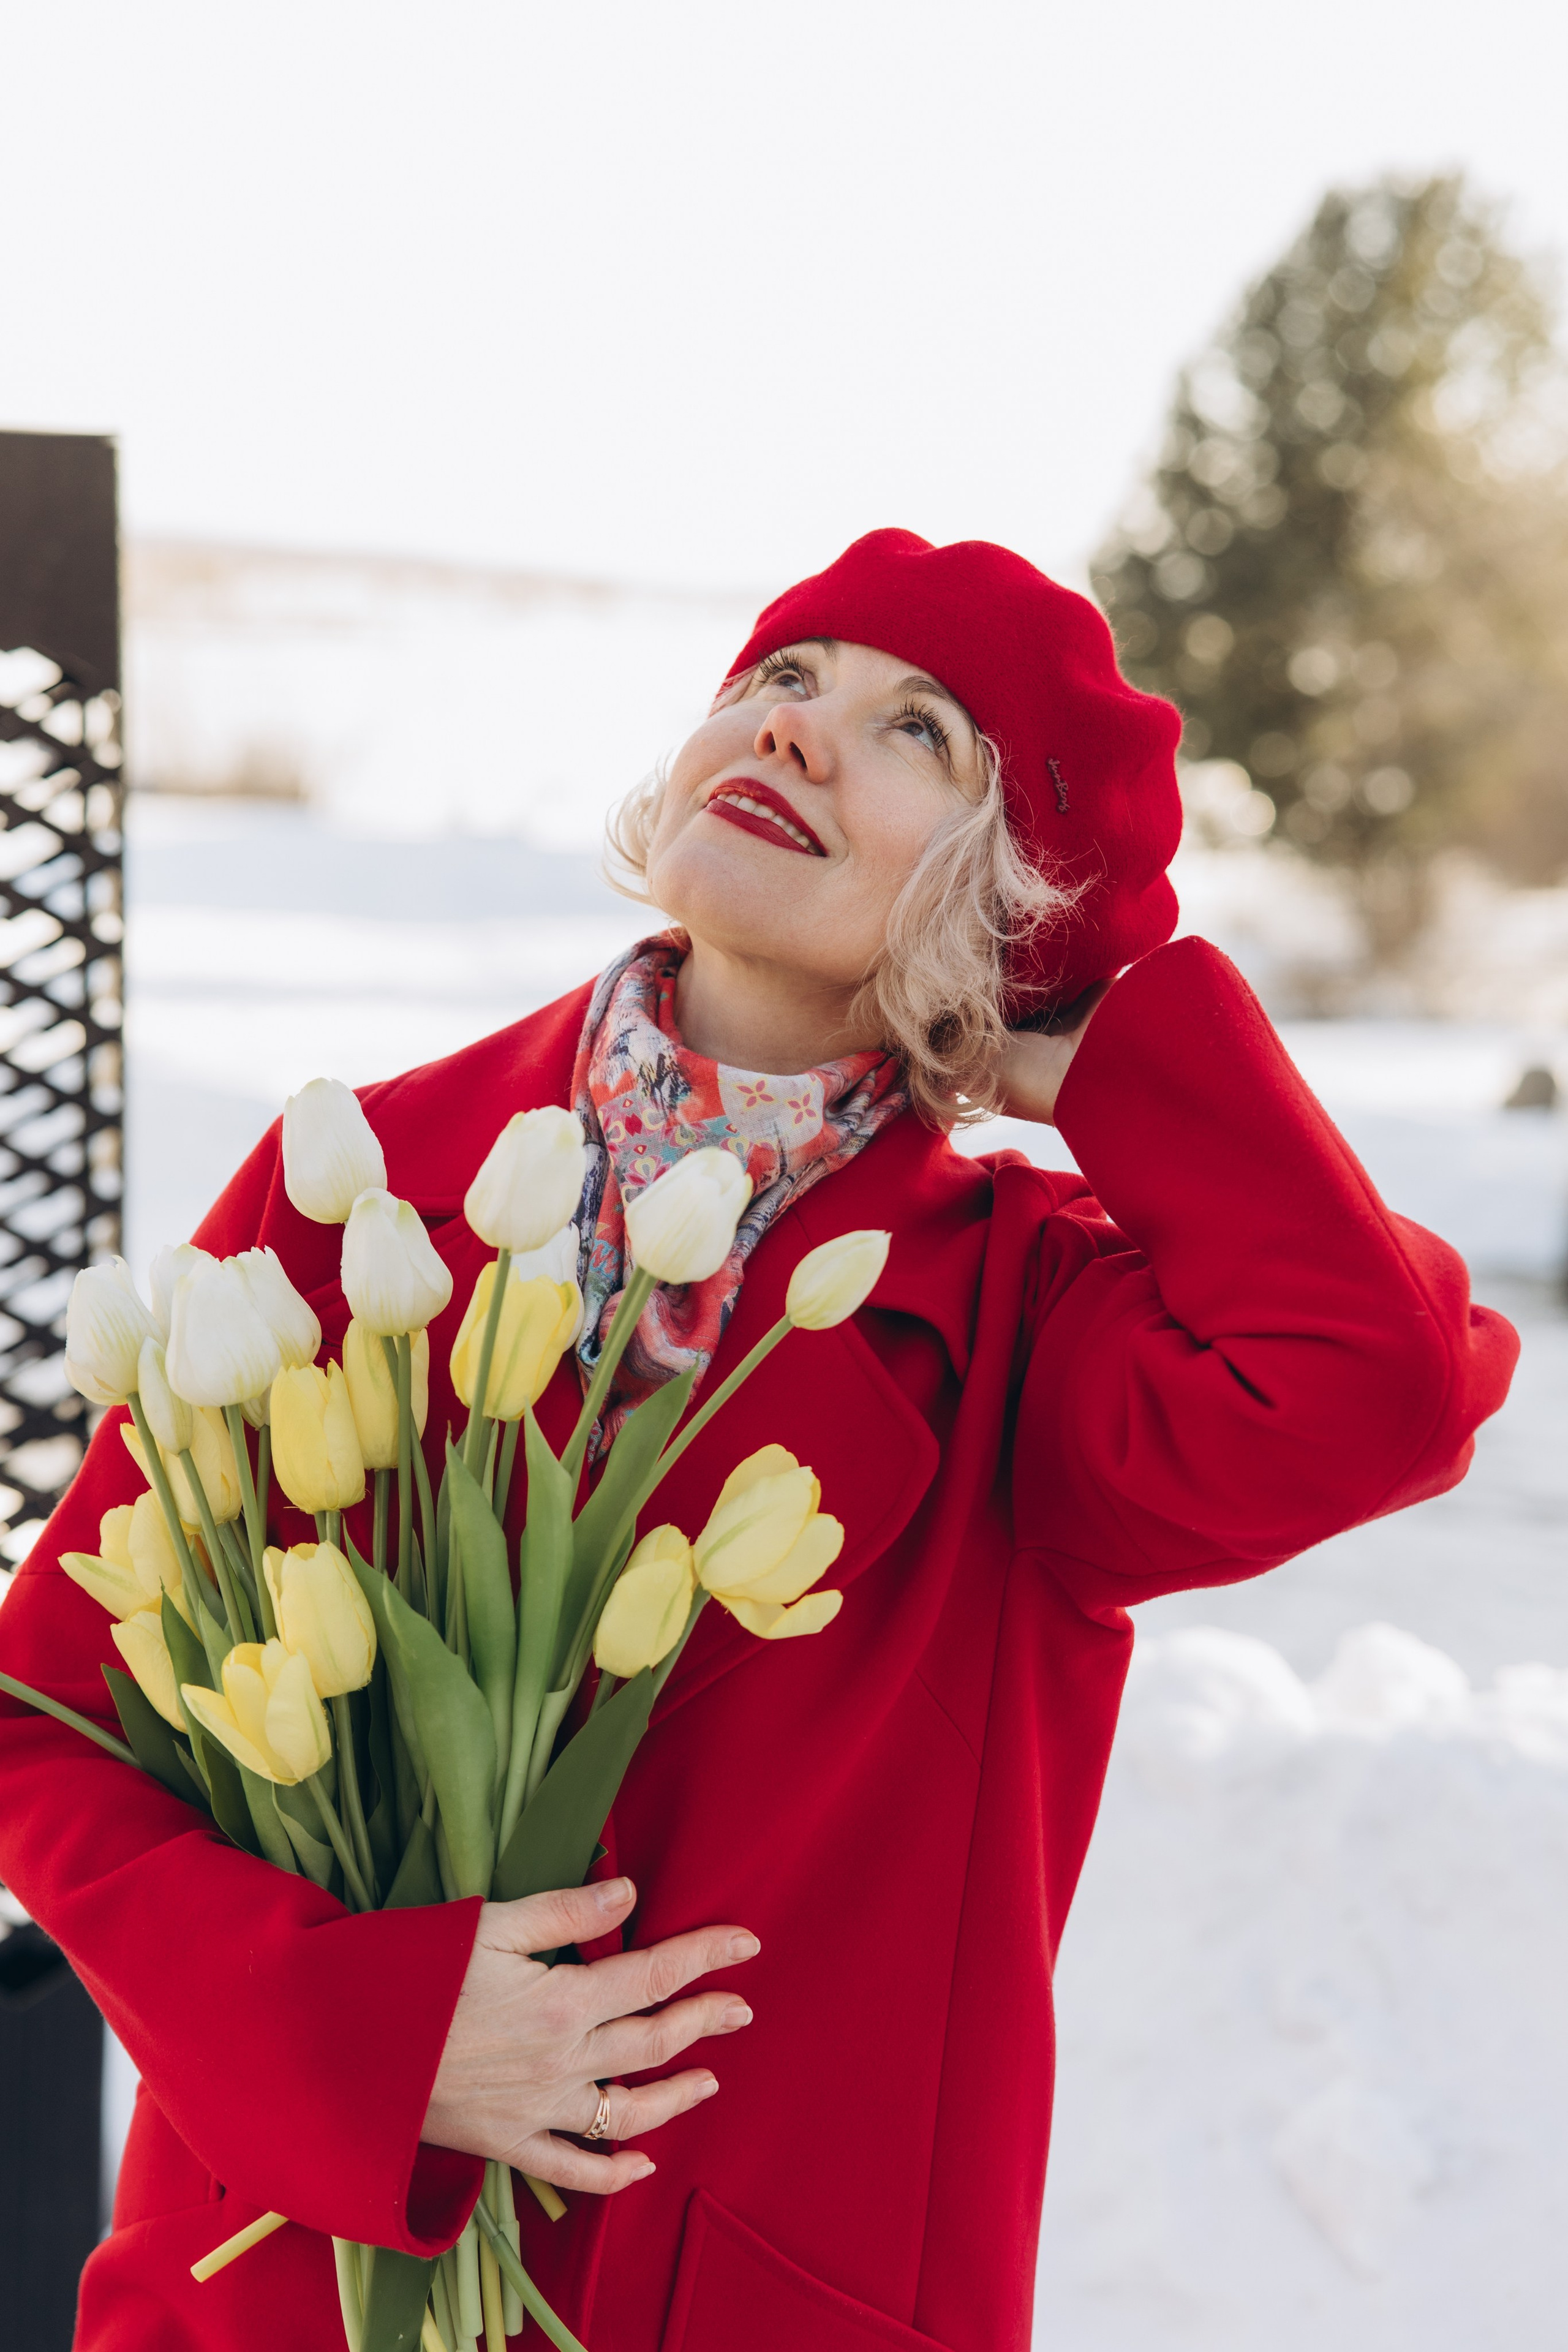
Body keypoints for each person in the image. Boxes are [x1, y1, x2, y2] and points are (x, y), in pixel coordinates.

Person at [0, 529, 1517, 2352]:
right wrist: (381, 2031)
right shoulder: (368, 1193)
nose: (799, 732)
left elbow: (1377, 1383)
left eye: (918, 733)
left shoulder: (1023, 1331)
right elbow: (53, 1726)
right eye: (784, 680)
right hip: (287, 2288)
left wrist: (1097, 1056)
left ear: (1009, 897)